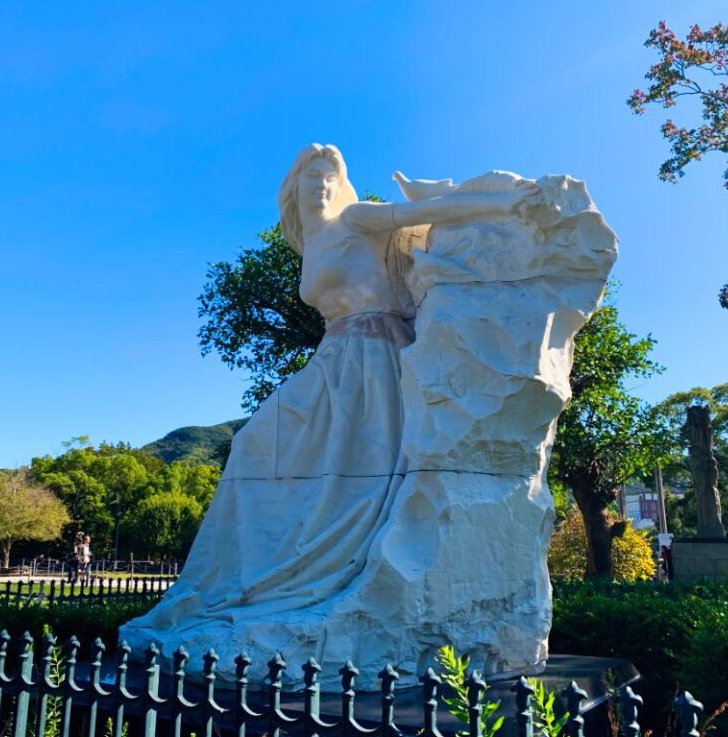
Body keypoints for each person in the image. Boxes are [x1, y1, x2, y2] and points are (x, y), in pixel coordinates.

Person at [120, 144, 538, 662]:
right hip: (333, 356)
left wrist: (503, 205)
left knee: (350, 474)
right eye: (309, 180)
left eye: (327, 179)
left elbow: (429, 214)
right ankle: (253, 582)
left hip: (374, 356)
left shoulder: (358, 220)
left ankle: (326, 573)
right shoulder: (311, 245)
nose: (319, 187)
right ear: (292, 191)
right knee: (256, 443)